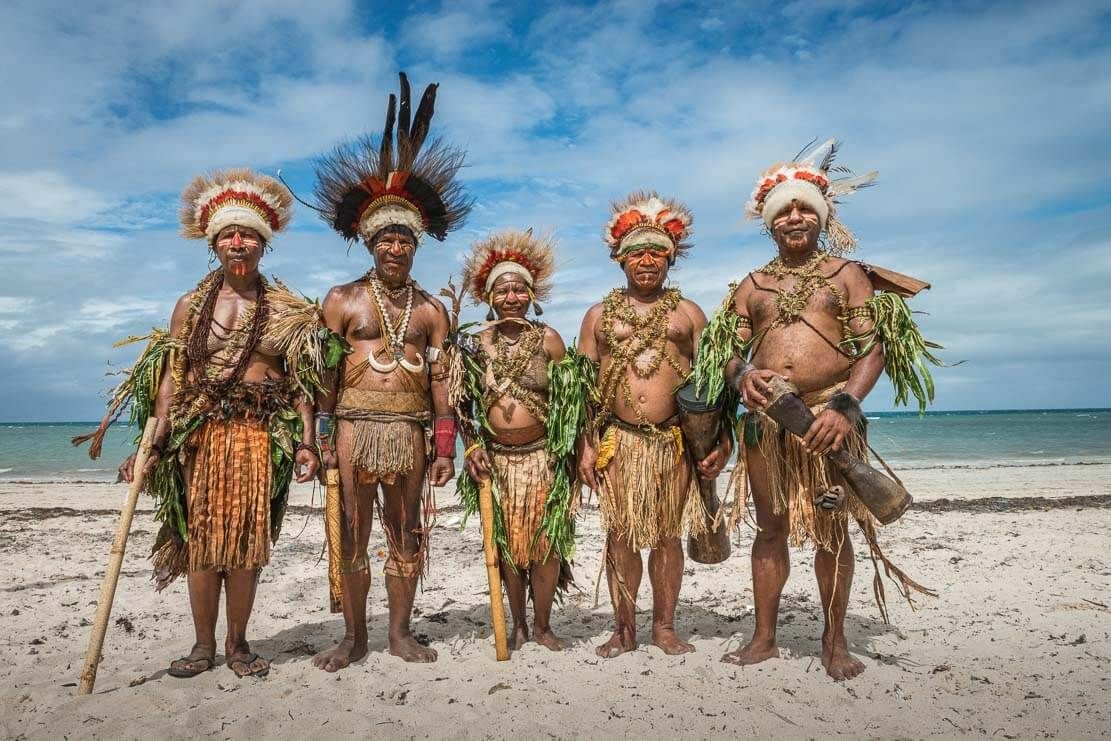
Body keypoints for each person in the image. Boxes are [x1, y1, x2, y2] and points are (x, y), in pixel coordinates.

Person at [76, 169, 336, 678]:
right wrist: (152, 443)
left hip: (258, 439)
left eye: (247, 234)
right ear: (213, 243)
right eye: (227, 235)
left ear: (264, 243)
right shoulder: (191, 307)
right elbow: (173, 381)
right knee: (200, 542)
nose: (237, 242)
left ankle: (238, 647)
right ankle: (202, 647)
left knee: (244, 547)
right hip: (201, 439)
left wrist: (306, 444)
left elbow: (302, 384)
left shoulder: (287, 310)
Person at [705, 139, 937, 679]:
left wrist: (845, 404)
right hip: (768, 425)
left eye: (804, 207)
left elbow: (872, 348)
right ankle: (763, 638)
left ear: (822, 216)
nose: (794, 216)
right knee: (770, 529)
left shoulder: (847, 275)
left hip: (830, 424)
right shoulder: (752, 285)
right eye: (783, 209)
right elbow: (729, 356)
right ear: (769, 222)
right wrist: (742, 377)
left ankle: (834, 643)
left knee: (834, 531)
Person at [309, 73, 470, 670]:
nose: (395, 249)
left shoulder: (431, 311)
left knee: (407, 534)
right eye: (386, 240)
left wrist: (446, 447)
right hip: (353, 428)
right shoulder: (342, 299)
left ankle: (400, 633)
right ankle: (353, 637)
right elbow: (323, 378)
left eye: (404, 240)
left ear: (416, 245)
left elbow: (442, 383)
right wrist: (320, 440)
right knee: (350, 535)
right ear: (370, 244)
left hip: (409, 432)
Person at [577, 192, 731, 658]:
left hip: (673, 443)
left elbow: (715, 384)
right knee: (620, 534)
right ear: (619, 259)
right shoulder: (598, 315)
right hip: (618, 443)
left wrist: (721, 442)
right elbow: (582, 388)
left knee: (667, 535)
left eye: (656, 253)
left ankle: (663, 626)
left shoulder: (689, 313)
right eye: (636, 253)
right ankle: (623, 629)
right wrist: (586, 446)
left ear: (670, 259)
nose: (646, 262)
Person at [453, 229, 585, 652]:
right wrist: (472, 447)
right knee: (508, 547)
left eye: (519, 290)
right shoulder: (477, 344)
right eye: (503, 290)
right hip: (498, 463)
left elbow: (571, 404)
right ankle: (519, 626)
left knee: (545, 545)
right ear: (490, 297)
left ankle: (544, 626)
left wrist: (573, 455)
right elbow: (461, 404)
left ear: (531, 294)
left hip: (542, 459)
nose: (511, 297)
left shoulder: (549, 340)